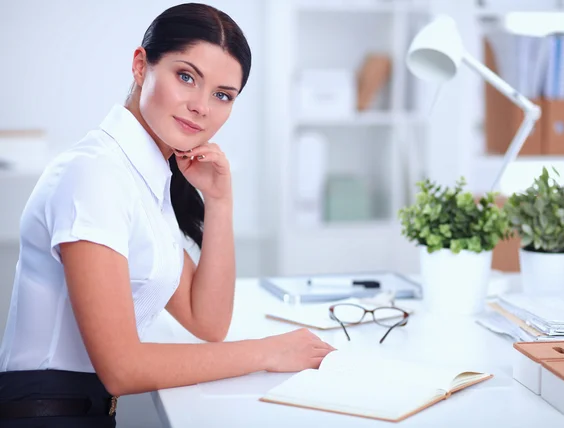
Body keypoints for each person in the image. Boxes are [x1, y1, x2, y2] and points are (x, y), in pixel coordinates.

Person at [0, 3, 335, 427]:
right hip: (44, 414)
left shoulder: (143, 180)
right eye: (186, 76)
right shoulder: (94, 174)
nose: (201, 106)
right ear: (141, 66)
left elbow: (207, 319)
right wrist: (269, 351)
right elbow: (121, 367)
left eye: (222, 95)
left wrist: (219, 201)